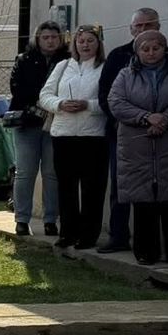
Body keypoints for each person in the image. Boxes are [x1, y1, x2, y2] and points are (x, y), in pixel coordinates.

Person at [107, 28, 168, 268]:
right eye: (145, 49)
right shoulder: (125, 75)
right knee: (143, 200)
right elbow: (115, 102)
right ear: (137, 51)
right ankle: (146, 252)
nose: (151, 53)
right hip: (137, 145)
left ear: (164, 49)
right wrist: (146, 117)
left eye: (156, 48)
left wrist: (165, 119)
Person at [97, 6, 160, 253]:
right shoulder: (117, 56)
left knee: (153, 188)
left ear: (158, 27)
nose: (143, 30)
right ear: (131, 29)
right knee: (120, 186)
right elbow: (106, 95)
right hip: (121, 132)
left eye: (148, 25)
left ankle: (150, 244)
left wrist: (157, 120)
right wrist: (128, 119)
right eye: (138, 26)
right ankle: (118, 236)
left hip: (156, 134)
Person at [39, 25, 108, 251]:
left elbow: (110, 101)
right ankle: (68, 232)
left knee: (92, 188)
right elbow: (45, 96)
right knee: (66, 187)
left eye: (90, 40)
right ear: (74, 44)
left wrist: (88, 105)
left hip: (93, 135)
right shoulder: (63, 66)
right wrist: (60, 104)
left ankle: (88, 235)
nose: (85, 45)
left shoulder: (104, 67)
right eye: (81, 41)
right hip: (64, 134)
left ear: (98, 44)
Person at [8, 19, 67, 237]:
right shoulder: (24, 59)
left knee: (52, 173)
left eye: (54, 37)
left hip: (56, 122)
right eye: (46, 37)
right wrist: (43, 102)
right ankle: (22, 219)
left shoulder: (68, 61)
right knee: (25, 172)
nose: (50, 41)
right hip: (28, 123)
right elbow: (18, 89)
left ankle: (51, 219)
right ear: (38, 39)